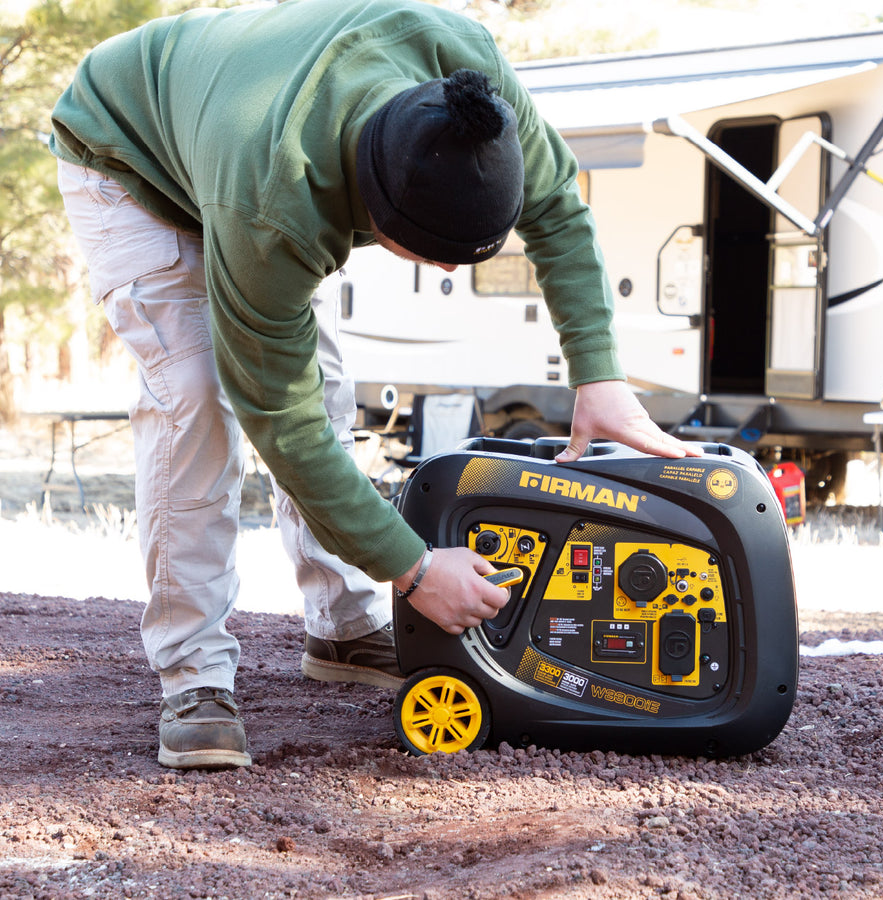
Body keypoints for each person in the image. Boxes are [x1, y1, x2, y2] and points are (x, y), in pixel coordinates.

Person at [50, 0, 700, 770]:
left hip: (232, 133)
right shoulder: (277, 202)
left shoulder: (473, 86)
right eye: (434, 256)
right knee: (194, 398)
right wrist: (416, 568)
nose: (452, 272)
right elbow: (278, 424)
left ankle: (343, 625)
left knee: (325, 387)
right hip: (128, 151)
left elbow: (559, 211)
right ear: (372, 213)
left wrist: (601, 375)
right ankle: (194, 673)